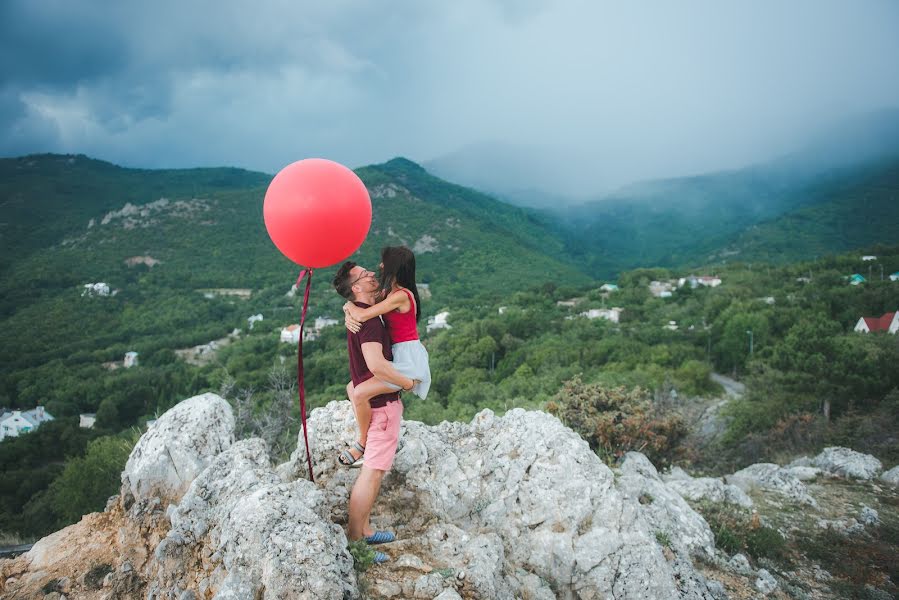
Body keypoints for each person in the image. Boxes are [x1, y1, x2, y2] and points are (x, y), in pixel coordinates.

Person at [332, 261, 411, 561]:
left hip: (374, 403)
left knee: (373, 472)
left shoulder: (363, 313)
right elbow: (377, 365)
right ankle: (355, 540)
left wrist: (348, 308)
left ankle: (364, 531)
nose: (372, 276)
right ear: (356, 287)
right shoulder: (370, 324)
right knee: (372, 473)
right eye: (366, 275)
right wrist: (406, 382)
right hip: (382, 407)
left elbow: (363, 307)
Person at [339, 246, 432, 466]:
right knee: (351, 388)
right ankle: (370, 437)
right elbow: (359, 305)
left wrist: (349, 308)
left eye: (384, 263)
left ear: (394, 268)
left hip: (408, 361)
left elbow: (363, 313)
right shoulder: (387, 293)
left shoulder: (400, 296)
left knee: (359, 392)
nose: (379, 267)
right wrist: (348, 309)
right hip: (398, 356)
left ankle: (363, 444)